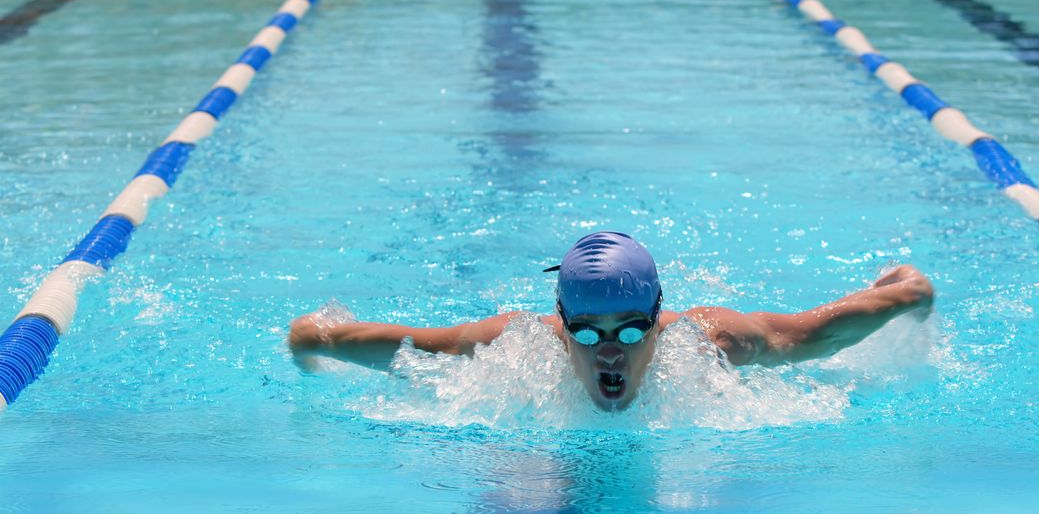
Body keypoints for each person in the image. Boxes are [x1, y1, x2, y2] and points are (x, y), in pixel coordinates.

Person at [289, 231, 934, 410]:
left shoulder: (716, 344)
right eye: (586, 332)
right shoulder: (511, 348)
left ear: (659, 321)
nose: (609, 352)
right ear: (559, 323)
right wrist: (312, 346)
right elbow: (346, 340)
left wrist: (908, 291)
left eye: (630, 330)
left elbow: (827, 327)